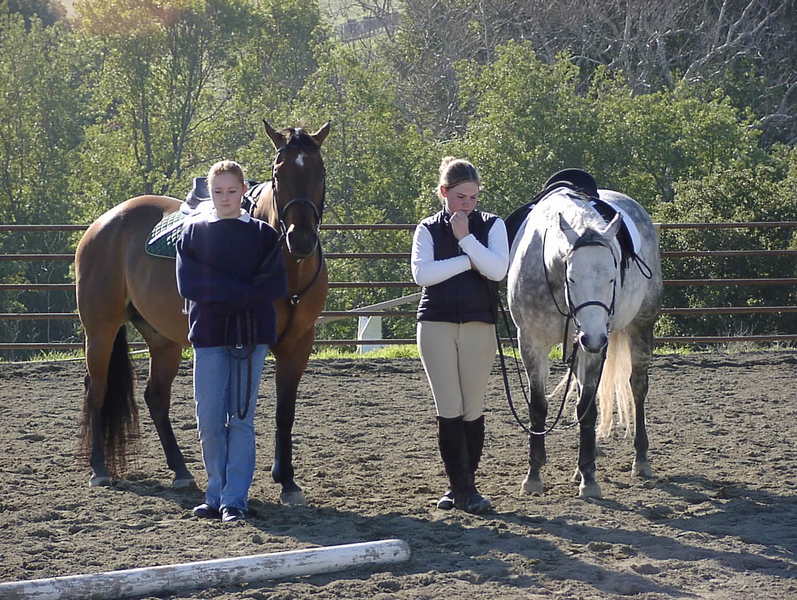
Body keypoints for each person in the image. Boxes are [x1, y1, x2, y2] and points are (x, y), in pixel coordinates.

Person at [176, 160, 287, 522]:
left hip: (250, 336)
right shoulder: (192, 234)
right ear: (209, 193)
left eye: (231, 190)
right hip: (208, 335)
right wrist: (243, 292)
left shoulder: (264, 236)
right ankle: (214, 493)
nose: (224, 197)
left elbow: (274, 284)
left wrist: (222, 290)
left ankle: (234, 499)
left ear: (243, 191)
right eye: (218, 191)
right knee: (209, 419)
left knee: (240, 418)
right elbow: (189, 284)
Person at [411, 157, 509, 514]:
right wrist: (470, 261)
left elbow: (497, 270)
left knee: (472, 407)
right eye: (460, 197)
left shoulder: (493, 225)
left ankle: (463, 486)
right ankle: (462, 489)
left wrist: (466, 240)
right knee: (448, 407)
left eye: (472, 197)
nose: (466, 204)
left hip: (478, 324)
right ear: (444, 192)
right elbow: (423, 275)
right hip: (435, 323)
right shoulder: (427, 228)